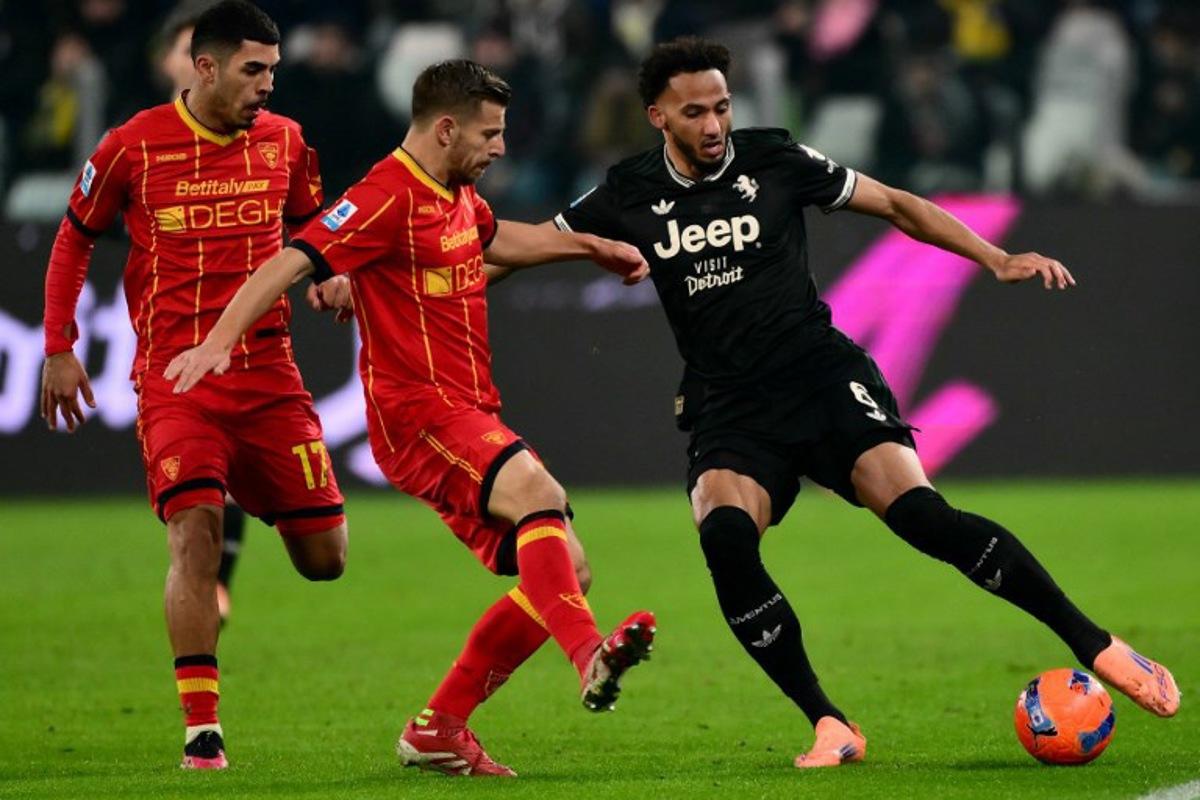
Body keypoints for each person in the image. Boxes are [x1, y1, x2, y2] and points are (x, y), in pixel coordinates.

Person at [548, 37, 1180, 768]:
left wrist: (996, 257)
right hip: (728, 404)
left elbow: (896, 204)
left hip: (820, 376)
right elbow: (530, 242)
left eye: (722, 106)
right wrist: (445, 251)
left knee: (922, 518)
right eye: (695, 113)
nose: (715, 124)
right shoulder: (625, 193)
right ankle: (829, 723)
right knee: (724, 540)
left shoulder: (775, 159)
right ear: (658, 116)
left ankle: (1097, 645)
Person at [164, 59, 656, 778]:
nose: (500, 148)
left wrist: (590, 247)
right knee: (539, 496)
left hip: (467, 406)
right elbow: (289, 262)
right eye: (489, 135)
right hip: (417, 411)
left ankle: (438, 726)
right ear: (446, 128)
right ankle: (589, 656)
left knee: (566, 566)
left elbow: (496, 240)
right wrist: (217, 340)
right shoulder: (384, 194)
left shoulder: (456, 193)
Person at [40, 0, 350, 771]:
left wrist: (333, 276)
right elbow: (72, 239)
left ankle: (243, 478)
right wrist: (59, 347)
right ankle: (201, 732)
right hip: (177, 377)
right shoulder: (132, 146)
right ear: (204, 67)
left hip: (269, 376)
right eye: (254, 70)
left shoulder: (286, 143)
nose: (268, 86)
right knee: (194, 538)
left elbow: (316, 227)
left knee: (326, 559)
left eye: (273, 70)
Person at [156, 0, 248, 625]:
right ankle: (201, 580)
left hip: (240, 330)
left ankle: (216, 582)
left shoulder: (257, 137)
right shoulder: (138, 142)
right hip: (166, 337)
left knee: (231, 470)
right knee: (194, 483)